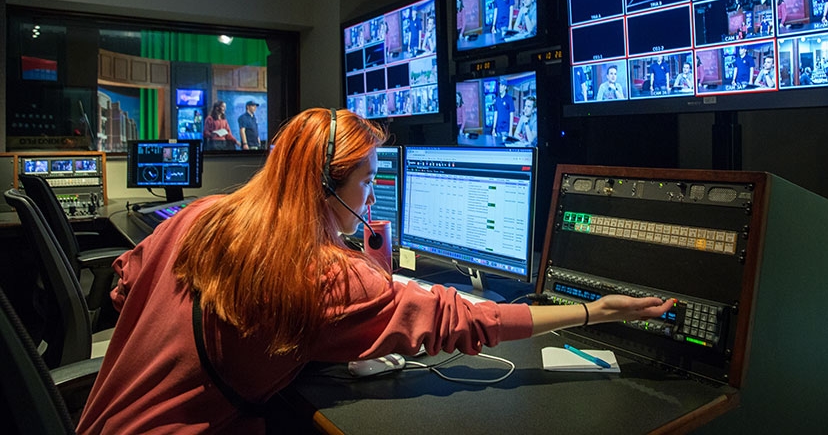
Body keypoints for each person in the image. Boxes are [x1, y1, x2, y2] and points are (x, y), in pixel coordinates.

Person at [75, 108, 675, 433]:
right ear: (324, 187)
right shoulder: (328, 280)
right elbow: (461, 320)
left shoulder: (199, 217)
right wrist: (595, 310)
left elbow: (127, 283)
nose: (371, 194)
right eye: (366, 180)